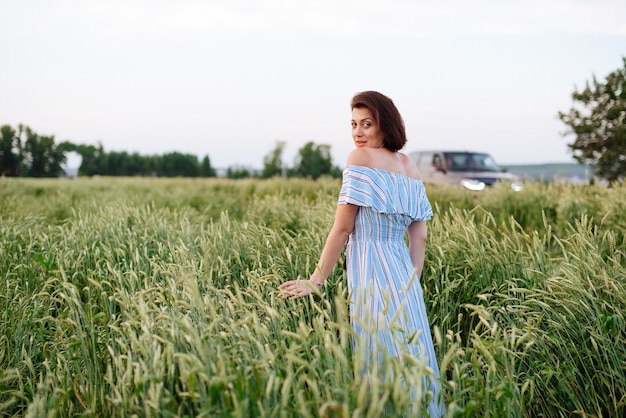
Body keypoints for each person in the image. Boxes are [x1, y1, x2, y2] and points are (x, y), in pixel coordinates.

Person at [278, 91, 445, 416]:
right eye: (354, 124)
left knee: (377, 355)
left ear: (386, 125)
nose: (358, 132)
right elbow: (419, 236)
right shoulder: (410, 166)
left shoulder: (360, 159)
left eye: (367, 124)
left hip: (371, 272)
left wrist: (316, 280)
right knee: (411, 355)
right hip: (405, 279)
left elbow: (343, 228)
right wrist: (411, 283)